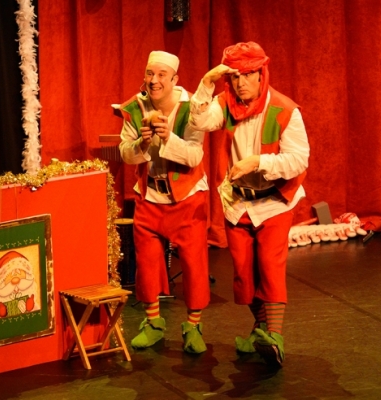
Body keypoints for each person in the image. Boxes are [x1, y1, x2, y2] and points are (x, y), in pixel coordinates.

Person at [189, 42, 309, 367]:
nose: (240, 83)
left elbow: (299, 160)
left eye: (247, 75)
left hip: (274, 201)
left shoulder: (284, 110)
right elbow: (199, 122)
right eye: (234, 76)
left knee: (269, 265)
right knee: (244, 274)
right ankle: (261, 331)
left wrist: (258, 161)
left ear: (261, 74)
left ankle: (275, 337)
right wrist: (206, 83)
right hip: (238, 202)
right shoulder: (225, 104)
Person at [119, 51, 210, 353]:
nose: (154, 80)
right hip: (150, 195)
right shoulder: (135, 107)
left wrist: (170, 138)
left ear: (174, 79)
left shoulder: (192, 108)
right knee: (146, 263)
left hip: (188, 196)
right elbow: (126, 153)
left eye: (161, 75)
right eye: (150, 73)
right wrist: (142, 142)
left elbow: (195, 156)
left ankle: (193, 326)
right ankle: (153, 323)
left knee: (194, 264)